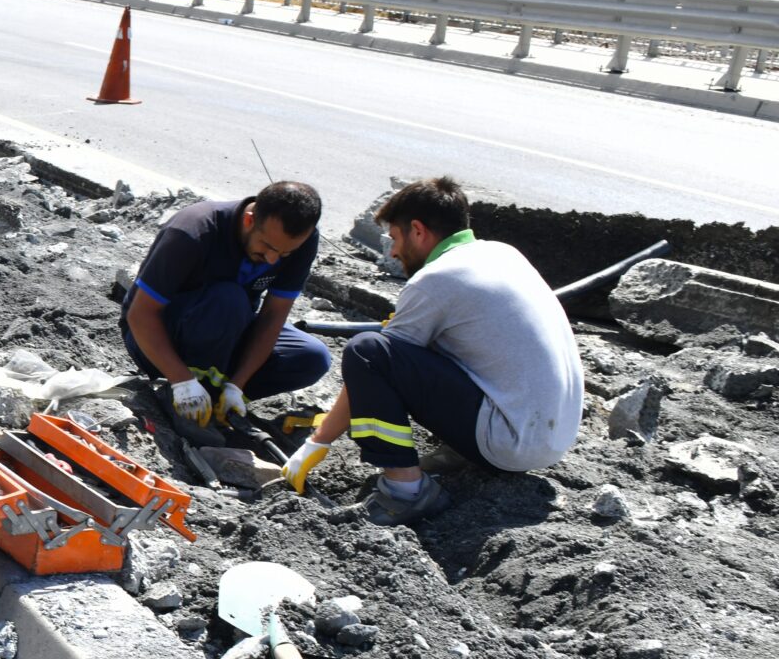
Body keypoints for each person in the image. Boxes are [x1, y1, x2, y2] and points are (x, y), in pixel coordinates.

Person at [281, 176, 585, 524]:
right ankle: (462, 452)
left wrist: (317, 443)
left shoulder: (437, 278)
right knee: (425, 343)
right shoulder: (503, 253)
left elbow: (377, 362)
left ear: (418, 230)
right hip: (553, 437)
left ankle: (405, 490)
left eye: (395, 238)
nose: (393, 252)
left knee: (367, 350)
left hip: (509, 443)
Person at [122, 182, 331, 428]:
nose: (273, 259)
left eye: (284, 254)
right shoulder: (193, 231)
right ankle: (183, 394)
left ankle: (219, 398)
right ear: (249, 220)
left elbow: (273, 316)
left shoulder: (299, 242)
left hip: (228, 330)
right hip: (156, 339)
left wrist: (237, 385)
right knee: (229, 300)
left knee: (312, 357)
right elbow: (140, 315)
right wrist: (182, 381)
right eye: (268, 246)